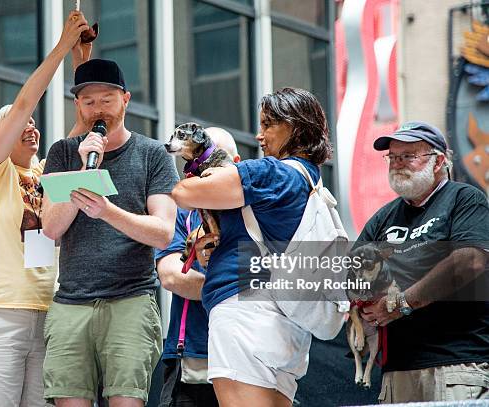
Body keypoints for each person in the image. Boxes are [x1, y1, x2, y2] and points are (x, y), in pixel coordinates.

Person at [172, 87, 333, 407]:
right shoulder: (311, 180)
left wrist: (206, 168)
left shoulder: (270, 172)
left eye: (269, 125)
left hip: (245, 317)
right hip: (287, 323)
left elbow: (185, 193)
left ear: (296, 127)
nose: (260, 136)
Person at [41, 58, 179, 407]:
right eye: (88, 101)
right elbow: (51, 227)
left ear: (126, 99)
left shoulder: (153, 155)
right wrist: (85, 173)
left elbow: (164, 232)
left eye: (106, 99)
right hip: (71, 301)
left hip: (130, 299)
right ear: (77, 106)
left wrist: (109, 211)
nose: (97, 109)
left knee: (127, 401)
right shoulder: (62, 153)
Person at [0, 11, 87, 407]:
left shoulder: (43, 173)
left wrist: (80, 58)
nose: (30, 126)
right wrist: (61, 46)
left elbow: (84, 130)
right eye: (22, 124)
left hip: (48, 314)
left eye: (35, 123)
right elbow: (22, 103)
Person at [355, 121, 489, 403]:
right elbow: (353, 275)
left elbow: (469, 261)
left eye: (408, 156)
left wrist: (401, 302)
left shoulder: (465, 199)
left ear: (438, 160)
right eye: (392, 157)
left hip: (455, 366)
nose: (397, 164)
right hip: (396, 373)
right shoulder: (383, 217)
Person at [156, 126, 240, 407]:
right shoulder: (183, 212)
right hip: (191, 356)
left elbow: (265, 279)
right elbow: (170, 275)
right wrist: (230, 288)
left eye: (214, 160)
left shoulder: (254, 214)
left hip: (246, 355)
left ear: (234, 164)